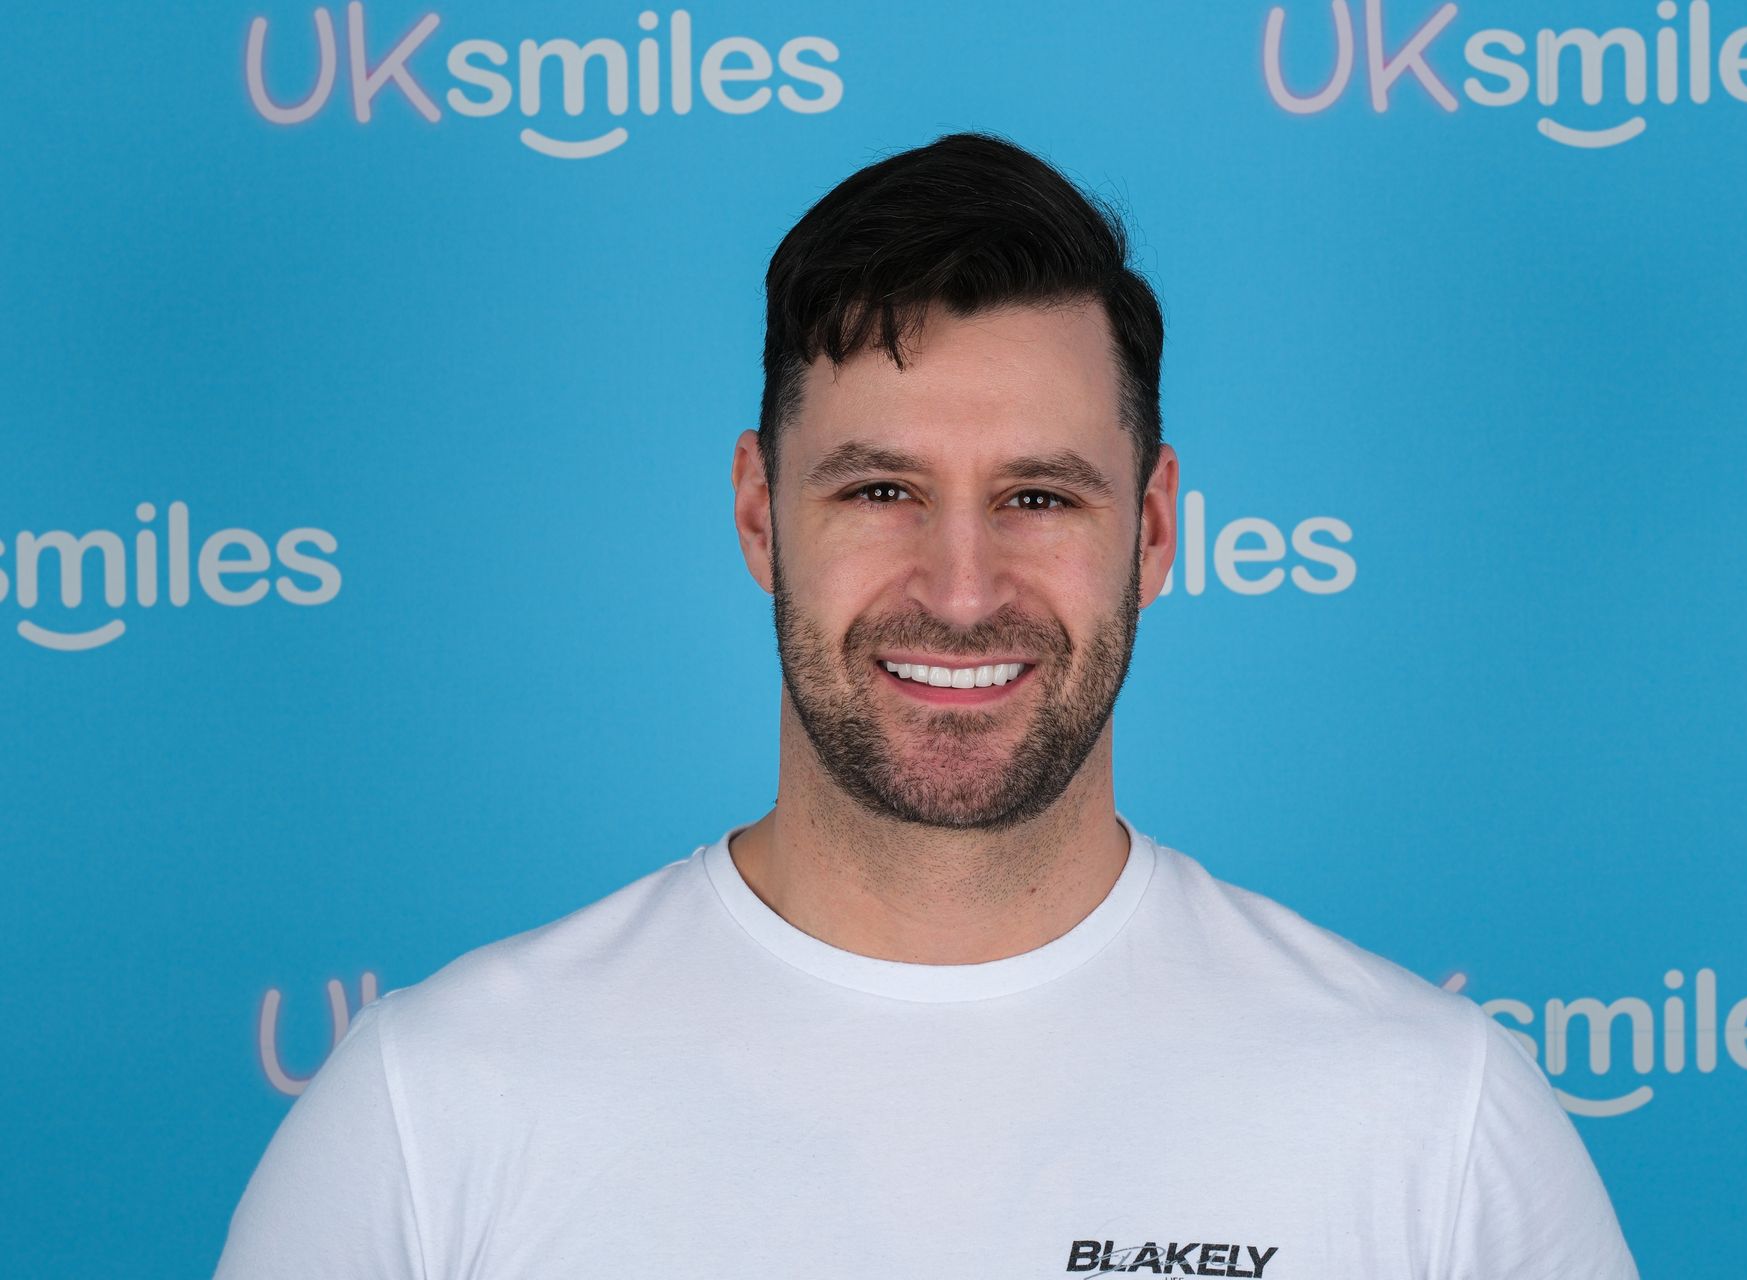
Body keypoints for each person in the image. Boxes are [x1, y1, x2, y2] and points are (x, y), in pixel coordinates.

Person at [213, 131, 1638, 1279]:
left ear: (1152, 533)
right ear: (762, 516)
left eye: (1037, 496)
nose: (961, 590)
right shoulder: (435, 1111)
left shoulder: (1432, 1123)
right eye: (881, 491)